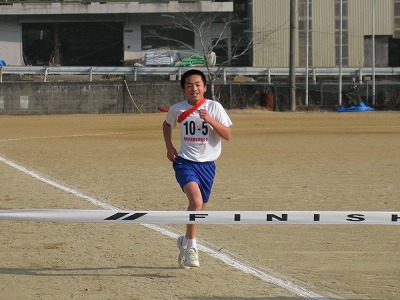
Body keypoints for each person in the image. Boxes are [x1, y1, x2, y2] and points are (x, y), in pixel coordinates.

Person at [162, 69, 232, 268]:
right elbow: (167, 125)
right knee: (196, 201)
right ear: (183, 89)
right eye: (189, 85)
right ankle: (192, 247)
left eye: (198, 84)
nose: (194, 88)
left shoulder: (214, 107)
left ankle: (185, 241)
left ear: (205, 88)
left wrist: (210, 120)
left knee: (200, 209)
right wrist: (169, 146)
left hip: (208, 165)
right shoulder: (177, 109)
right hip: (185, 162)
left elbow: (227, 135)